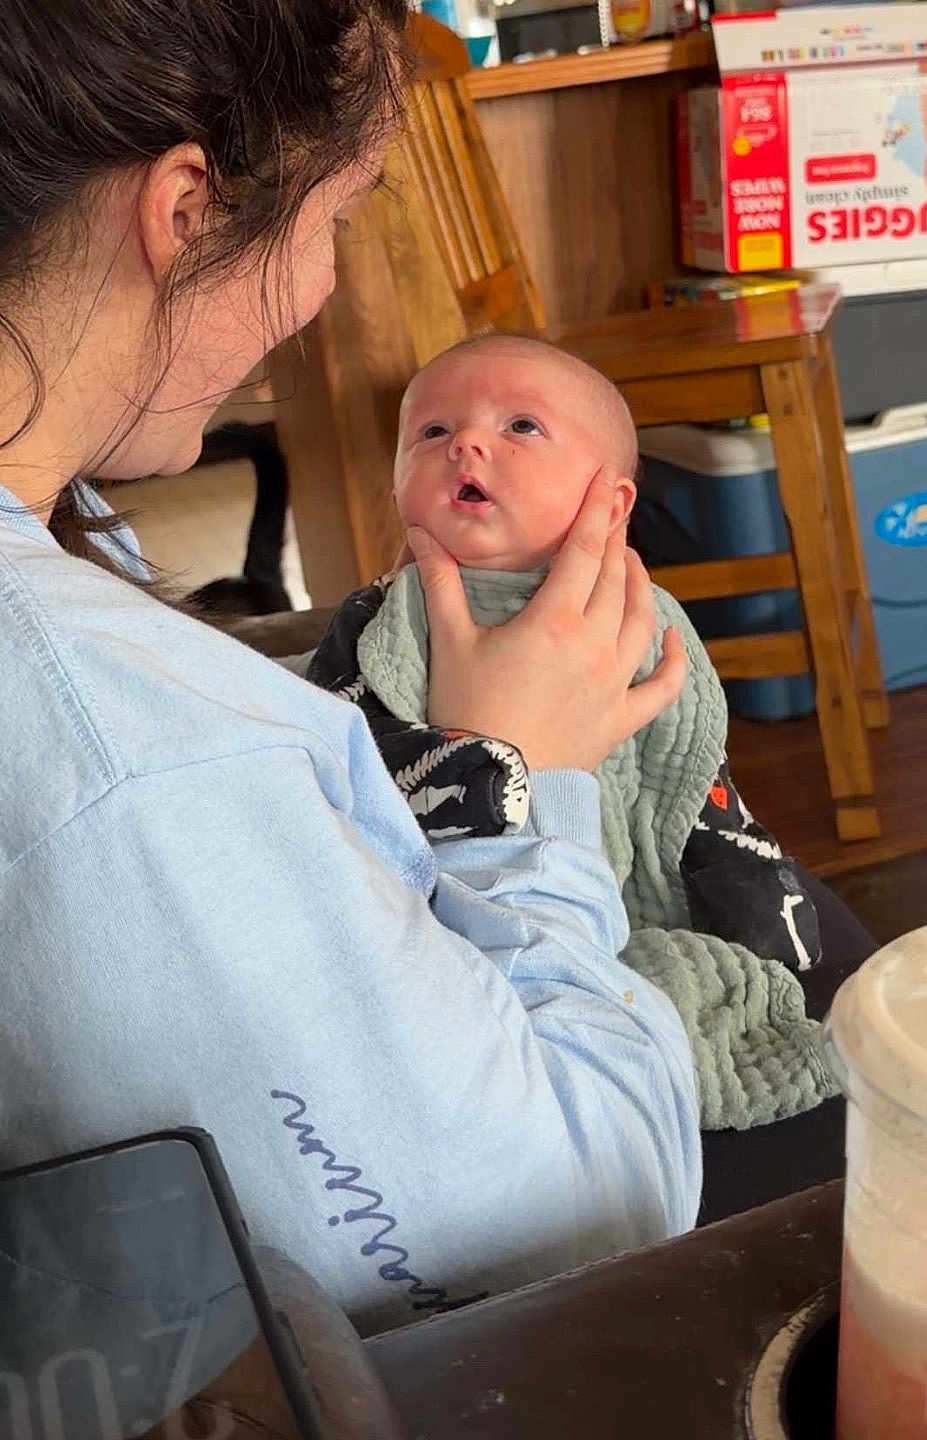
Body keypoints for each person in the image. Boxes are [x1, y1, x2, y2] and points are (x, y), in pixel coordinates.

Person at [0, 0, 699, 1337]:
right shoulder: (121, 769)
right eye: (338, 216)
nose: (318, 295)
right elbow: (585, 1221)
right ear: (183, 206)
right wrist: (513, 779)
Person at [307, 334, 832, 1135]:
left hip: (628, 894)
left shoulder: (643, 619)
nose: (467, 446)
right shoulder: (380, 624)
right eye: (432, 433)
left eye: (521, 426)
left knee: (708, 979)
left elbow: (690, 773)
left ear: (611, 504)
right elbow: (329, 767)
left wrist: (757, 907)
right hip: (454, 922)